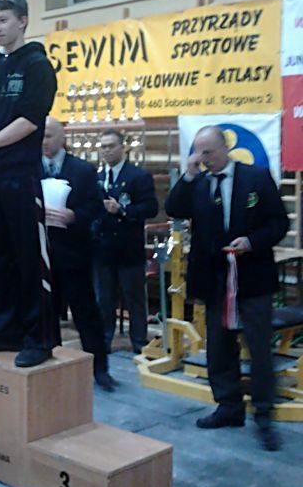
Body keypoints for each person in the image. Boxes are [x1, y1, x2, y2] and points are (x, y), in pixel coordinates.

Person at [165, 125, 289, 452]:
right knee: (219, 347)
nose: (204, 158)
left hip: (252, 277)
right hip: (214, 279)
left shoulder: (256, 177)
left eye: (209, 152)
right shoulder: (198, 182)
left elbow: (279, 223)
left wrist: (252, 241)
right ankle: (229, 407)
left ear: (225, 148)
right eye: (199, 152)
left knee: (259, 348)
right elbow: (174, 208)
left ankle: (263, 414)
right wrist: (188, 176)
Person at [0, 0, 59, 368]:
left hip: (19, 175)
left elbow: (30, 121)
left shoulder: (37, 65)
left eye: (3, 20)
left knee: (28, 258)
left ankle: (39, 338)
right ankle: (5, 331)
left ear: (22, 20)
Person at [42, 117, 115, 390]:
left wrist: (74, 215)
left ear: (62, 137)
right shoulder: (30, 169)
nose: (43, 141)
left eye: (48, 135)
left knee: (85, 313)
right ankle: (51, 364)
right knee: (46, 313)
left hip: (74, 252)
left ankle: (100, 368)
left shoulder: (82, 170)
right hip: (42, 254)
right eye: (40, 136)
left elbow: (96, 207)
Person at [92, 129, 158, 354]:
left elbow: (150, 208)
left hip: (129, 249)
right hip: (103, 250)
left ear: (123, 148)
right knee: (104, 299)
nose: (107, 150)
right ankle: (103, 340)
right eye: (103, 146)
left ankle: (139, 342)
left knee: (134, 299)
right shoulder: (97, 177)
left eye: (111, 146)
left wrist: (122, 210)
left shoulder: (138, 176)